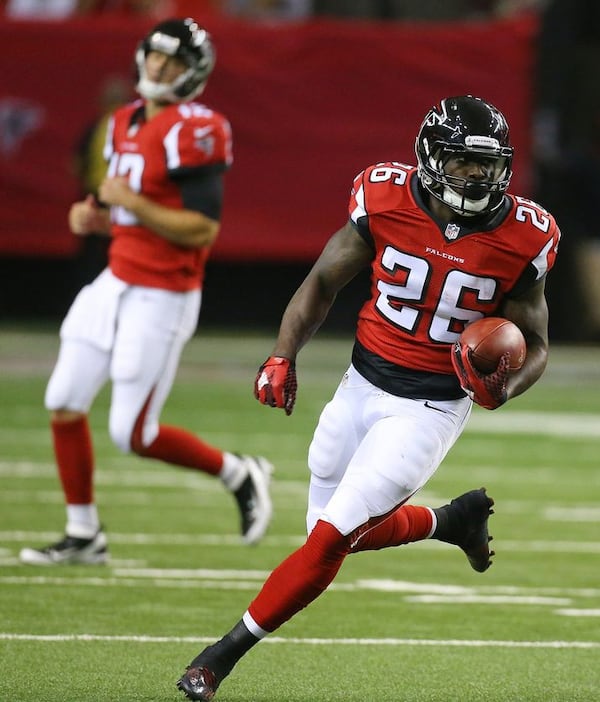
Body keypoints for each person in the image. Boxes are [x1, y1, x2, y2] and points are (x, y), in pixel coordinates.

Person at [176, 95, 560, 700]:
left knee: (328, 541)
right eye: (463, 163)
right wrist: (282, 353)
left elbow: (535, 339)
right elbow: (323, 281)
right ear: (431, 157)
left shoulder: (524, 235)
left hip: (432, 406)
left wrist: (505, 385)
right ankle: (449, 521)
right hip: (360, 384)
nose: (477, 177)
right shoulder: (384, 197)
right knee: (325, 532)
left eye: (488, 166)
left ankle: (218, 658)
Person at [19, 17, 273, 567]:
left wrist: (127, 205)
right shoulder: (120, 122)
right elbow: (128, 213)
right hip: (116, 279)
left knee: (131, 433)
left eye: (174, 62)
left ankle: (238, 471)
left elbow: (201, 229)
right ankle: (84, 533)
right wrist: (99, 218)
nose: (160, 68)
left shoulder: (197, 128)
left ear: (193, 74)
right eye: (156, 56)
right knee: (62, 401)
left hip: (164, 293)